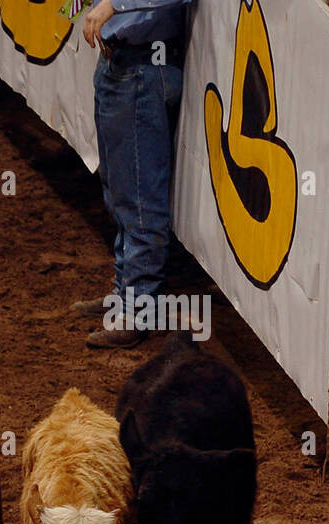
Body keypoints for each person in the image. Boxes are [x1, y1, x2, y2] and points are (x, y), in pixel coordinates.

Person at [78, 0, 194, 349]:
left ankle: (137, 309)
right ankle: (126, 293)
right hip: (124, 61)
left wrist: (114, 4)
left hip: (142, 65)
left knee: (139, 196)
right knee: (121, 190)